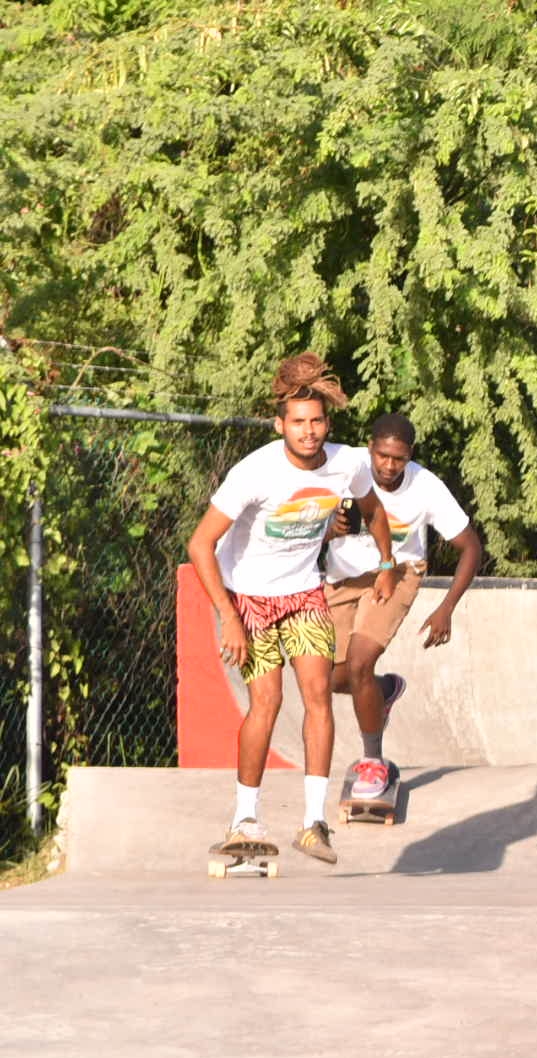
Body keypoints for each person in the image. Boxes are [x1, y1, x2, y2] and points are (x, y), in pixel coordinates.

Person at [185, 353, 399, 864]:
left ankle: (313, 823)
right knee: (267, 701)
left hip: (304, 593)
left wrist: (387, 563)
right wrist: (229, 615)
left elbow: (374, 511)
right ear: (280, 425)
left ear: (328, 424)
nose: (309, 431)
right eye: (298, 422)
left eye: (317, 421)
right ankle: (245, 819)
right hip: (250, 599)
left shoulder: (348, 463)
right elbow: (199, 545)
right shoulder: (254, 472)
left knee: (318, 696)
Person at [322, 413, 483, 801]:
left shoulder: (426, 486)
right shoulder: (344, 467)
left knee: (359, 663)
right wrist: (329, 531)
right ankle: (383, 691)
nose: (390, 466)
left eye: (399, 459)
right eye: (382, 456)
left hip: (397, 573)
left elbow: (470, 547)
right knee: (327, 679)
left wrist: (446, 607)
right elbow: (302, 521)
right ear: (369, 448)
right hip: (342, 578)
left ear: (410, 455)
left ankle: (372, 762)